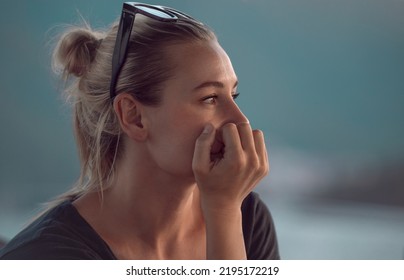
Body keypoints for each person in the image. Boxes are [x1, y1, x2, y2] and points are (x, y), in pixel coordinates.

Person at [0, 2, 279, 260]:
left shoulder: (247, 220)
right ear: (134, 117)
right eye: (209, 99)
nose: (239, 121)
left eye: (234, 95)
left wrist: (226, 213)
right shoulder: (50, 256)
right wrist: (222, 211)